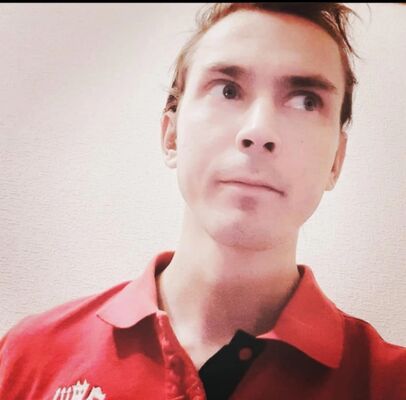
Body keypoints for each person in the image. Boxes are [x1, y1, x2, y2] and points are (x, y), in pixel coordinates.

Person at [0, 3, 405, 399]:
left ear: (336, 160)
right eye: (228, 90)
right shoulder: (27, 357)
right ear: (171, 135)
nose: (259, 130)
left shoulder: (391, 383)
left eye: (306, 101)